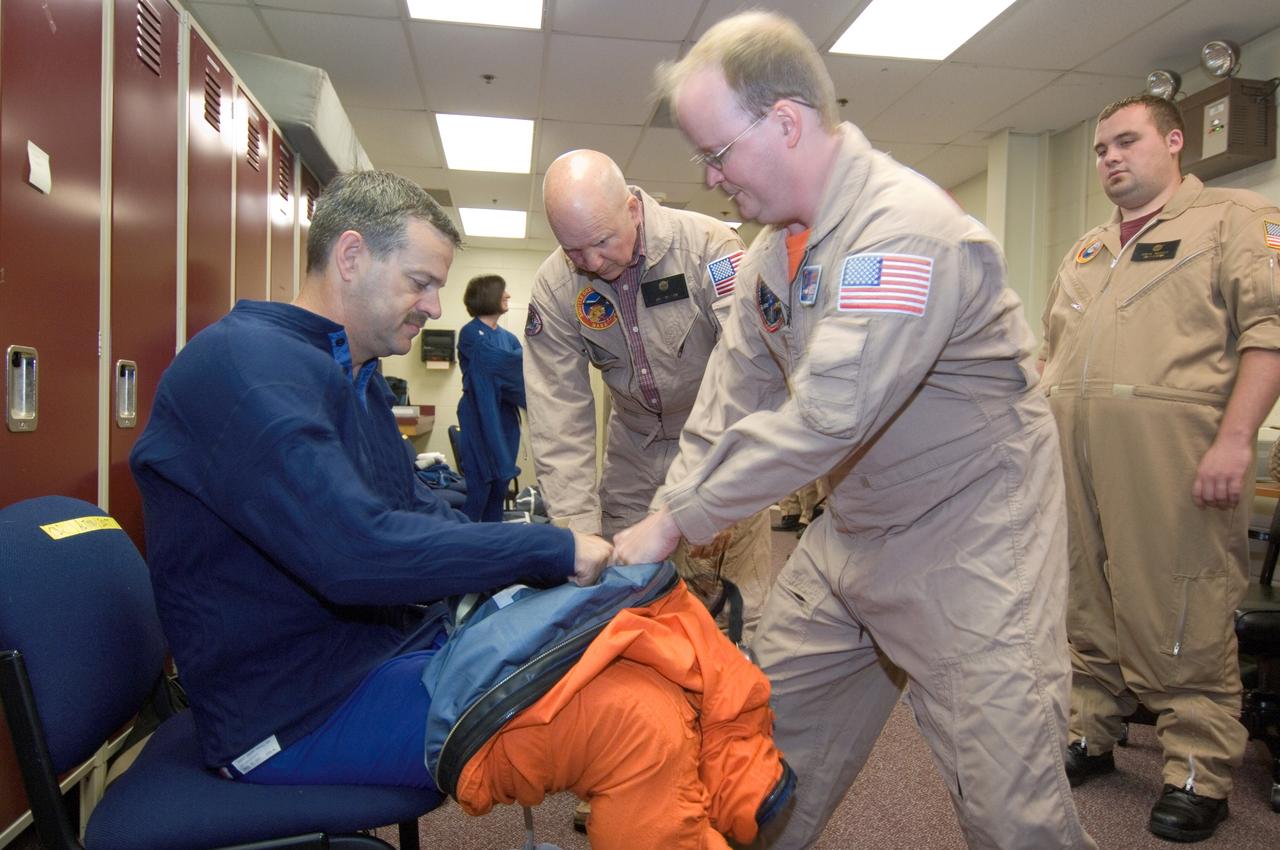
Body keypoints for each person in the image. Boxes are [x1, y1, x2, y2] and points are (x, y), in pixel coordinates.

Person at [129, 170, 784, 849]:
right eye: (420, 282)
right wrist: (550, 550)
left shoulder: (346, 374)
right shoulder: (246, 369)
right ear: (351, 257)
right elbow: (358, 554)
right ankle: (721, 794)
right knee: (636, 723)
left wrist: (547, 565)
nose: (435, 307)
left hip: (389, 654)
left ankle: (742, 779)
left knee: (636, 625)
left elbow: (419, 515)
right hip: (297, 712)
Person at [614, 12, 1095, 849]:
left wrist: (677, 521)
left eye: (716, 153)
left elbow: (831, 415)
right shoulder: (771, 256)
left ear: (787, 121)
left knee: (1011, 815)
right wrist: (666, 514)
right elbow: (725, 404)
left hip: (972, 540)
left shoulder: (904, 230)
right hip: (855, 534)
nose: (710, 177)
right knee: (753, 761)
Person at [1039, 94, 1280, 842]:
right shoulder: (1087, 249)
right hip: (1073, 454)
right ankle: (1093, 728)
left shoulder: (1231, 222)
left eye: (1127, 141)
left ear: (1176, 141)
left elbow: (1268, 336)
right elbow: (1052, 356)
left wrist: (1236, 440)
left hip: (1176, 457)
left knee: (1180, 602)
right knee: (1085, 595)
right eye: (1101, 148)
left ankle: (1197, 770)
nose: (1110, 157)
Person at [524, 148, 776, 640]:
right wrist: (577, 528)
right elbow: (558, 413)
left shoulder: (710, 249)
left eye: (601, 241)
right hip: (633, 451)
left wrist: (713, 489)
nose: (592, 263)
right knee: (623, 604)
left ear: (633, 210)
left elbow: (751, 373)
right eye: (575, 251)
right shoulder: (557, 286)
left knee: (734, 613)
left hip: (717, 438)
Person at [456, 274, 525, 522]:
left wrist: (511, 367)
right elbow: (503, 366)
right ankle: (467, 549)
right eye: (502, 291)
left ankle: (494, 548)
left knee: (499, 488)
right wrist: (513, 364)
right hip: (479, 416)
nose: (507, 296)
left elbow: (520, 374)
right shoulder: (470, 333)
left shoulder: (509, 338)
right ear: (487, 296)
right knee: (480, 488)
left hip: (505, 419)